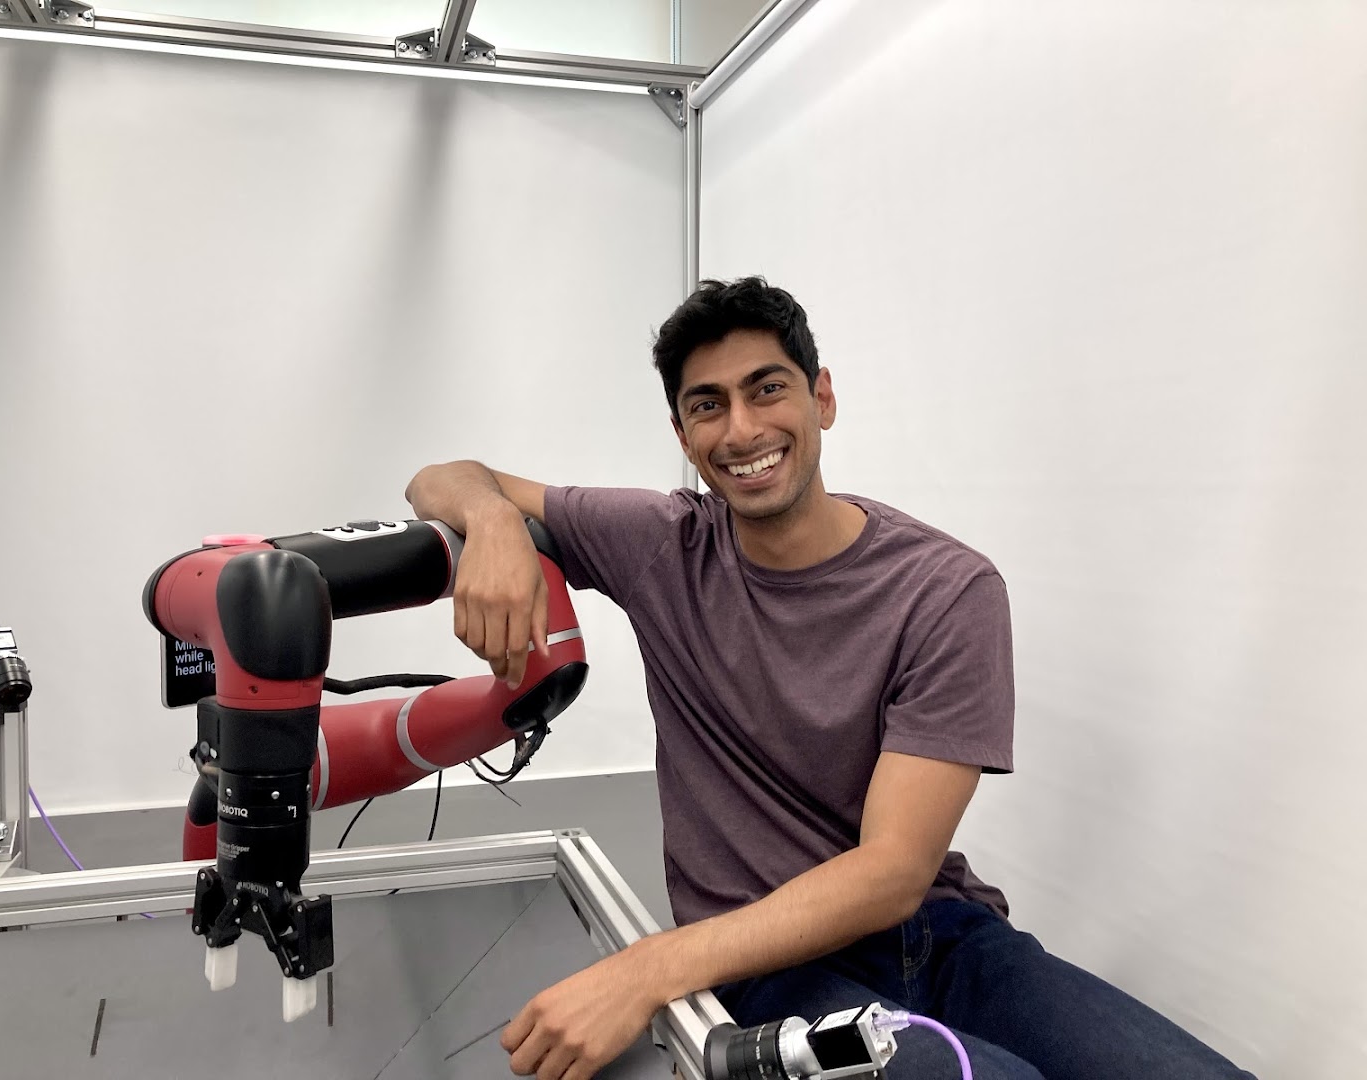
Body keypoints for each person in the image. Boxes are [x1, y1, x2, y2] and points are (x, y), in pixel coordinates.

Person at [404, 277, 1255, 1080]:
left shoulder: (945, 589)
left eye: (767, 389)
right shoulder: (663, 543)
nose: (740, 430)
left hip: (939, 935)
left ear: (823, 399)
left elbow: (893, 870)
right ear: (683, 435)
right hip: (763, 964)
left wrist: (642, 971)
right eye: (709, 405)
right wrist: (495, 528)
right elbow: (442, 479)